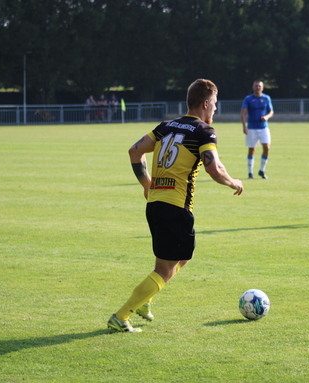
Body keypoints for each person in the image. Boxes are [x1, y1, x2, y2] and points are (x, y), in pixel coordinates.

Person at [107, 79, 244, 333]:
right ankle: (121, 315)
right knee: (165, 269)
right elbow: (214, 168)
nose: (215, 109)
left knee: (183, 256)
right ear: (205, 103)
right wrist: (232, 181)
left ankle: (144, 302)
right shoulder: (204, 131)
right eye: (214, 104)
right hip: (175, 206)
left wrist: (147, 184)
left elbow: (134, 152)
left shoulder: (165, 126)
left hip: (157, 204)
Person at [241, 80, 274, 179]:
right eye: (256, 86)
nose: (258, 87)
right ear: (253, 87)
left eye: (259, 86)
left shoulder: (266, 98)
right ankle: (250, 173)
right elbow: (243, 112)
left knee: (267, 147)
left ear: (262, 88)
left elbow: (271, 111)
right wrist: (244, 126)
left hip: (263, 127)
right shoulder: (248, 99)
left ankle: (262, 170)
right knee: (252, 150)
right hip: (251, 128)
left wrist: (267, 117)